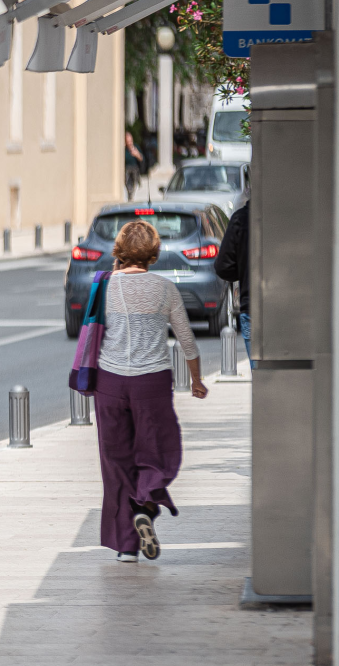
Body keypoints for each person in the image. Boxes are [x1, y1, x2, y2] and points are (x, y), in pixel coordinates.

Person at [94, 220, 208, 564]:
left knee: (117, 463)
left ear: (119, 251)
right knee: (159, 452)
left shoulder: (104, 286)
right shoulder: (164, 288)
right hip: (152, 383)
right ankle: (144, 504)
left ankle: (127, 547)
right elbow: (186, 340)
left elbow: (95, 331)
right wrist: (196, 380)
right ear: (154, 254)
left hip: (110, 382)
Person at [214, 200, 251, 362]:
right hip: (295, 309)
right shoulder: (295, 218)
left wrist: (244, 271)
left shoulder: (241, 219)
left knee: (260, 371)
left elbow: (223, 267)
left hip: (253, 307)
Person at [125, 132, 144, 200]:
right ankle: (130, 195)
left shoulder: (136, 147)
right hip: (127, 170)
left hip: (135, 170)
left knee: (134, 184)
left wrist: (137, 154)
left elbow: (142, 159)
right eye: (128, 141)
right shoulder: (124, 150)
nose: (130, 143)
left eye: (130, 141)